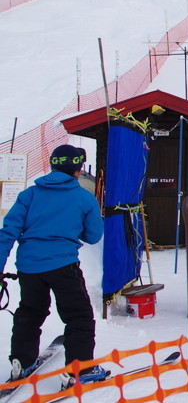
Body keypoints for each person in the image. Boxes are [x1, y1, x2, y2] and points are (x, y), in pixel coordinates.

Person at [0, 145, 109, 388]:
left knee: (30, 311)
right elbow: (93, 236)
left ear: (52, 165)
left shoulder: (29, 195)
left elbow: (7, 233)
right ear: (78, 170)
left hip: (28, 266)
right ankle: (80, 369)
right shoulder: (83, 197)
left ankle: (21, 360)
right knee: (78, 315)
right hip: (63, 265)